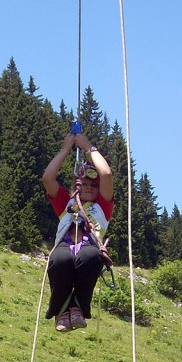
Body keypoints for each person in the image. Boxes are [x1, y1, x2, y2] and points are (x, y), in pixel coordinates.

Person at [42, 132, 114, 332]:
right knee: (60, 261)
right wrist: (66, 150)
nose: (90, 187)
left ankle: (79, 308)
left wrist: (89, 147)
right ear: (77, 186)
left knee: (90, 256)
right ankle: (61, 311)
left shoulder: (102, 207)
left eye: (94, 185)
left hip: (89, 244)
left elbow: (106, 175)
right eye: (86, 184)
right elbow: (48, 178)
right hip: (65, 244)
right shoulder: (67, 202)